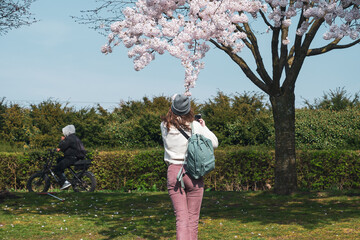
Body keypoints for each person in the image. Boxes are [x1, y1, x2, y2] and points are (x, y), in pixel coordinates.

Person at [160, 94, 218, 240]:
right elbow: (214, 143)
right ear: (188, 109)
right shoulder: (195, 125)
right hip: (193, 172)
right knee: (192, 218)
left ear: (172, 108)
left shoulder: (164, 125)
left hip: (174, 171)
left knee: (181, 218)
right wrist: (204, 127)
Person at [55, 124, 85, 190]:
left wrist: (62, 141)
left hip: (71, 158)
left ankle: (65, 182)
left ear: (67, 131)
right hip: (77, 157)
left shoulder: (69, 138)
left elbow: (62, 146)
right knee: (59, 160)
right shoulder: (75, 137)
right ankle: (64, 180)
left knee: (57, 169)